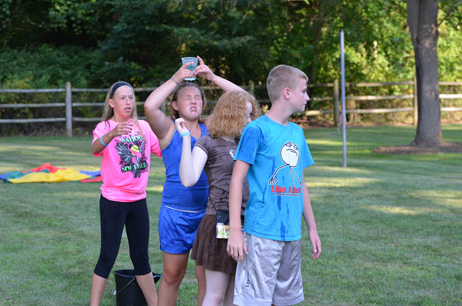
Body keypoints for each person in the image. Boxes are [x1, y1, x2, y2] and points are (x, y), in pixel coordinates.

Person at [144, 56, 244, 306]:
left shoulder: (213, 128)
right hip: (176, 214)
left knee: (209, 280)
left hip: (211, 216)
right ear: (175, 105)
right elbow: (149, 106)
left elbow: (243, 100)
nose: (193, 101)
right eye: (187, 97)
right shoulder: (168, 129)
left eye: (198, 98)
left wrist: (211, 77)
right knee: (172, 276)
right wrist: (177, 78)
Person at [226, 65, 322, 306]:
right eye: (304, 91)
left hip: (291, 233)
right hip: (261, 233)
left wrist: (311, 228)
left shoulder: (298, 133)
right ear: (287, 93)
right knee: (254, 301)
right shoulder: (256, 130)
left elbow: (301, 183)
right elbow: (236, 179)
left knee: (286, 300)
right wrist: (236, 231)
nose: (307, 97)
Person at [175, 90, 261, 306]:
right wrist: (186, 139)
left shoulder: (243, 144)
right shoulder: (208, 143)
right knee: (215, 294)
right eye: (246, 115)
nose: (250, 121)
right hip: (219, 222)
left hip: (244, 222)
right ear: (232, 114)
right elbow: (188, 178)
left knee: (234, 295)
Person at [90, 81, 161, 306]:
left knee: (141, 258)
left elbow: (163, 148)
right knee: (107, 256)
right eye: (122, 98)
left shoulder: (144, 127)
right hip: (113, 201)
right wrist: (112, 133)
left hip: (138, 201)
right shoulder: (104, 127)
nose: (128, 102)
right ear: (111, 102)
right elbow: (94, 147)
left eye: (131, 97)